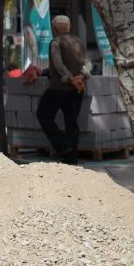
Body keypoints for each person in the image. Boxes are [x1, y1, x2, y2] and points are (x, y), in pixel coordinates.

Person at [36, 15, 92, 164]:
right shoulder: (79, 41)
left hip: (58, 87)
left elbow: (58, 64)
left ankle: (63, 147)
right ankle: (72, 157)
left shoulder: (55, 42)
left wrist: (69, 78)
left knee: (43, 115)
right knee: (71, 121)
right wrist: (81, 76)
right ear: (70, 26)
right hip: (76, 90)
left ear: (54, 28)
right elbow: (88, 62)